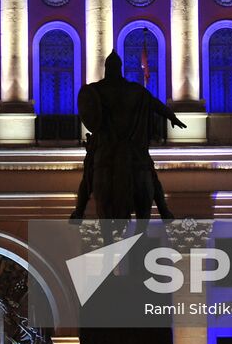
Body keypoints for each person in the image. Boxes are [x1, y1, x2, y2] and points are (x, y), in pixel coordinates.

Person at [70, 51, 183, 221]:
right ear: (120, 69)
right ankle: (163, 209)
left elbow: (90, 111)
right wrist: (172, 117)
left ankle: (79, 211)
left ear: (107, 68)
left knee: (89, 173)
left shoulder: (96, 89)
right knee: (150, 174)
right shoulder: (134, 90)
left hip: (106, 146)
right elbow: (155, 104)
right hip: (132, 146)